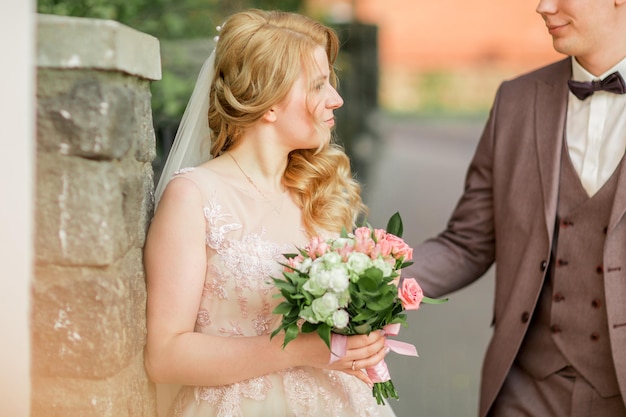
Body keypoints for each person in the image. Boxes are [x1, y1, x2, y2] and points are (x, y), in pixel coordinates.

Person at [143, 9, 397, 417]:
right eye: (318, 85)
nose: (337, 99)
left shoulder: (317, 190)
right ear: (269, 103)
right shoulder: (194, 197)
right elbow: (166, 355)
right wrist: (302, 351)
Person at [404, 0, 626, 416]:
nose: (543, 7)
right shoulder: (516, 100)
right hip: (525, 392)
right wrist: (368, 287)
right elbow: (467, 242)